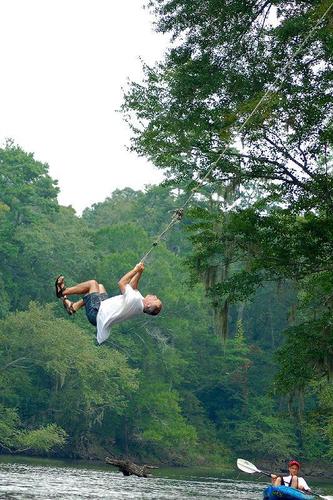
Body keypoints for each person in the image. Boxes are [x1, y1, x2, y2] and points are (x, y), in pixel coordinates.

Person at [55, 262, 162, 344]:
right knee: (99, 287)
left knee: (92, 284)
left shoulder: (134, 301)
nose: (155, 296)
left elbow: (122, 283)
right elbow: (132, 287)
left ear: (148, 305)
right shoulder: (139, 303)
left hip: (97, 314)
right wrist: (139, 272)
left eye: (155, 299)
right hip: (102, 308)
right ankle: (73, 307)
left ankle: (62, 291)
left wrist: (135, 270)